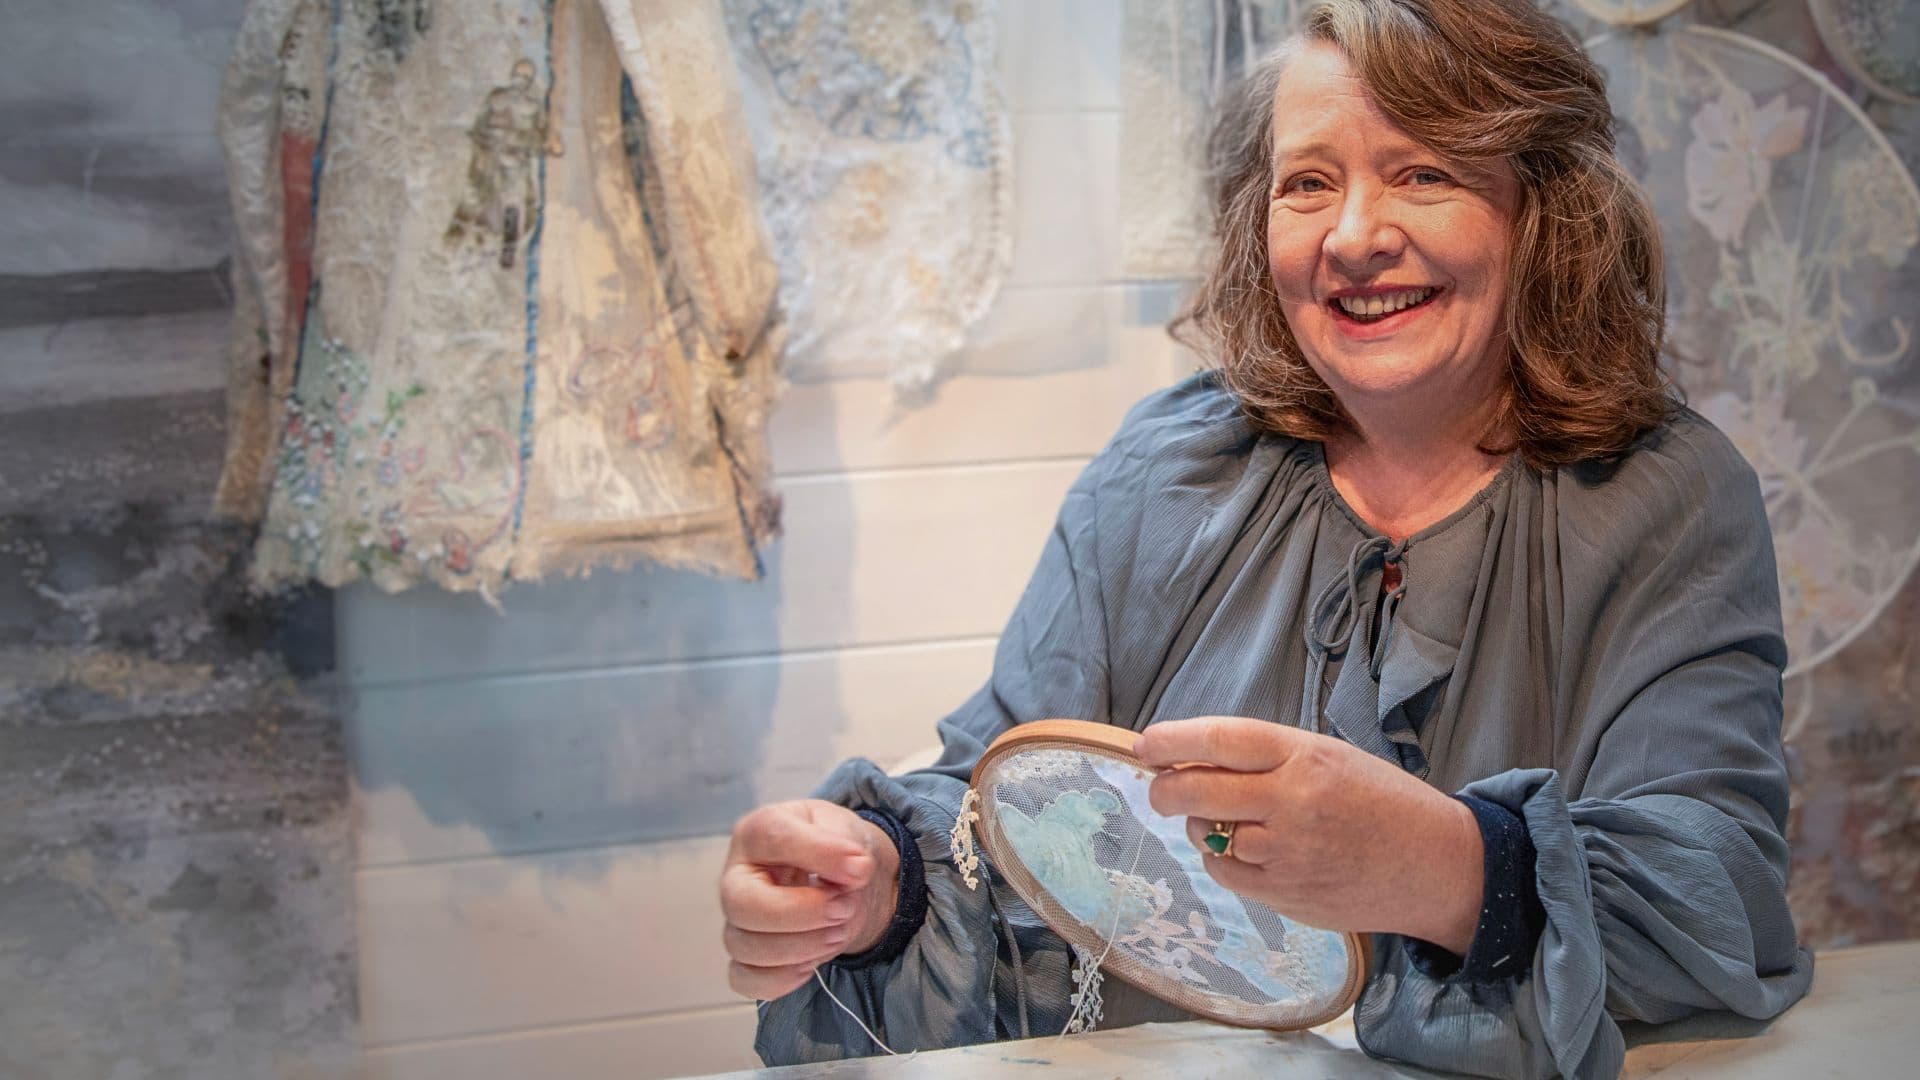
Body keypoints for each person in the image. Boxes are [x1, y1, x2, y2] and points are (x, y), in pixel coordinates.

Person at [718, 1, 1814, 1075]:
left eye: (1425, 172)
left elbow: (1716, 889)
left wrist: (1447, 867)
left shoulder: (1666, 495)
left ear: (1544, 209)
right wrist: (871, 884)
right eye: (1308, 184)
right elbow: (1004, 796)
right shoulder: (1168, 466)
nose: (1354, 237)